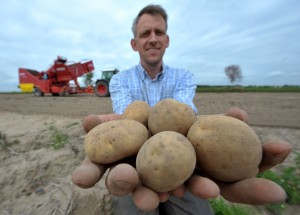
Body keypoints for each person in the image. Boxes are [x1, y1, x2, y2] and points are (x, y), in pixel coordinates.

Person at [72, 4, 292, 215]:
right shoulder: (120, 80)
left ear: (167, 40)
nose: (153, 39)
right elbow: (128, 119)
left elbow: (183, 117)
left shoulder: (184, 77)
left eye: (159, 32)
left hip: (185, 164)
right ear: (134, 43)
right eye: (145, 33)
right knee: (131, 199)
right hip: (133, 163)